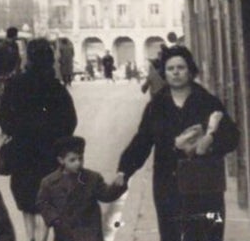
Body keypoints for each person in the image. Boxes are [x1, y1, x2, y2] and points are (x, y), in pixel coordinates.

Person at [115, 45, 239, 241]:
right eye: (170, 69)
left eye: (181, 67)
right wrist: (124, 170)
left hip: (204, 185)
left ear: (190, 71)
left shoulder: (207, 101)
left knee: (206, 236)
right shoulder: (156, 106)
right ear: (164, 73)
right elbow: (142, 141)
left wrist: (209, 143)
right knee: (171, 235)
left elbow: (232, 135)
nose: (176, 73)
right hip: (168, 185)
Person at [0, 37, 77, 241]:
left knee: (27, 204)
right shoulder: (56, 88)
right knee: (45, 203)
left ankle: (30, 238)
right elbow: (71, 121)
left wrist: (18, 132)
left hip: (22, 155)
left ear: (28, 59)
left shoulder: (15, 85)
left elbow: (4, 119)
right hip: (49, 155)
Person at [37, 136, 125, 241]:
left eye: (81, 158)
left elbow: (106, 195)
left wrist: (117, 186)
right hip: (64, 234)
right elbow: (42, 202)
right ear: (61, 160)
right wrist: (54, 219)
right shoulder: (49, 182)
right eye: (72, 160)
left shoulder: (92, 178)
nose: (78, 163)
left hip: (89, 233)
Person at [0, 27, 21, 124]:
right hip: (2, 75)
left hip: (9, 74)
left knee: (9, 95)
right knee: (0, 96)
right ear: (15, 35)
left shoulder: (13, 46)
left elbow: (17, 60)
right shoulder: (1, 47)